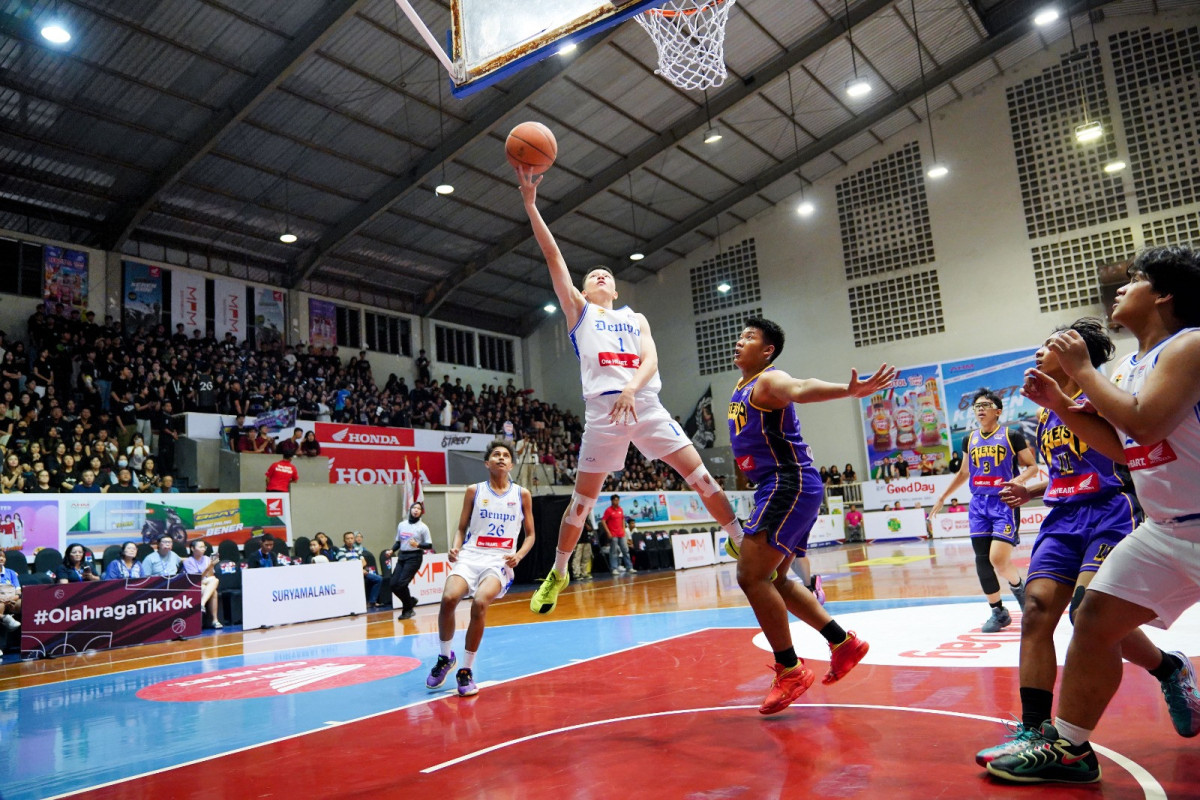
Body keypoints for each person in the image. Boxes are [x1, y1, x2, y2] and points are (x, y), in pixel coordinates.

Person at [989, 244, 1200, 783]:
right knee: (1091, 619)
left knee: (1086, 613)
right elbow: (1125, 448)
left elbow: (1146, 425)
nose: (1121, 287)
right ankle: (1071, 747)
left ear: (1164, 294)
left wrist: (1080, 370)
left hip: (1167, 518)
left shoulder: (1190, 345)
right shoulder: (1130, 367)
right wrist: (1061, 405)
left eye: (1135, 279)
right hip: (1165, 529)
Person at [519, 166, 744, 615]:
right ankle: (558, 572)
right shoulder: (580, 311)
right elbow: (553, 256)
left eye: (607, 274)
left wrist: (631, 389)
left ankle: (739, 539)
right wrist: (530, 204)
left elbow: (651, 361)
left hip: (644, 404)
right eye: (593, 275)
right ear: (583, 290)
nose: (601, 276)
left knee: (701, 477)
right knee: (580, 504)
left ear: (617, 289)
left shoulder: (635, 318)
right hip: (603, 414)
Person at [725, 317, 891, 714]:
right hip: (782, 484)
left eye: (750, 337)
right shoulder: (742, 386)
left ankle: (790, 670)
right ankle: (842, 642)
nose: (740, 341)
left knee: (751, 575)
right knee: (776, 579)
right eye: (741, 335)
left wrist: (847, 390)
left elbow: (800, 388)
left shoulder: (769, 379)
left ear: (767, 351)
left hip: (787, 482)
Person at [426, 440, 535, 697]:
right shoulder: (474, 491)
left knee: (480, 602)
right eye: (496, 454)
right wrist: (455, 547)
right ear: (487, 463)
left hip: (499, 560)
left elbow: (530, 535)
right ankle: (445, 657)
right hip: (471, 555)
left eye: (506, 455)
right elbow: (461, 528)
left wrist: (519, 555)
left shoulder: (522, 494)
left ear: (511, 464)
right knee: (448, 598)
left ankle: (465, 670)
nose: (501, 458)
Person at [931, 388, 1037, 632]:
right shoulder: (969, 439)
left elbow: (1032, 466)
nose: (980, 409)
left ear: (998, 411)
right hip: (978, 504)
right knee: (982, 560)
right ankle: (998, 611)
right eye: (977, 406)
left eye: (985, 405)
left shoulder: (1011, 435)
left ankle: (1022, 593)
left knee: (998, 559)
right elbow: (964, 472)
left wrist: (1018, 481)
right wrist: (943, 496)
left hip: (1004, 502)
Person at [386, 502, 433, 619]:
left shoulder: (423, 527)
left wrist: (418, 545)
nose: (416, 510)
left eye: (419, 509)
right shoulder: (402, 525)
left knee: (402, 584)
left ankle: (407, 610)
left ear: (421, 512)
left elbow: (429, 545)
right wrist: (392, 550)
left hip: (414, 557)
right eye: (414, 508)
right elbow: (398, 542)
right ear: (410, 510)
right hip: (402, 556)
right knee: (393, 585)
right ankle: (410, 601)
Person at [182, 540, 222, 628]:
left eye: (204, 547)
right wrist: (209, 567)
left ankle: (202, 604)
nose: (203, 549)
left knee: (215, 581)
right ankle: (215, 620)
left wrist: (212, 565)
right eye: (200, 547)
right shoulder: (188, 561)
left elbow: (211, 575)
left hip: (206, 583)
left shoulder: (207, 559)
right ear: (192, 549)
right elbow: (196, 579)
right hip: (194, 584)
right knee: (213, 590)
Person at [337, 531, 382, 606]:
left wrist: (359, 569)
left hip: (360, 571)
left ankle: (372, 602)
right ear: (344, 540)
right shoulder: (341, 550)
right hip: (348, 574)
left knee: (378, 579)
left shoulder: (357, 549)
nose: (350, 540)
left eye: (351, 538)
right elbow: (345, 565)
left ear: (354, 539)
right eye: (347, 539)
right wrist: (358, 570)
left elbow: (364, 562)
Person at [601, 495, 634, 574]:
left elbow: (622, 519)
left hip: (621, 534)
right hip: (613, 534)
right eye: (615, 500)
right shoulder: (608, 510)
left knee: (625, 550)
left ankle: (629, 567)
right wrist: (608, 532)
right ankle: (614, 568)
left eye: (618, 500)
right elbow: (603, 521)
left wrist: (623, 530)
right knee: (614, 551)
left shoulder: (620, 509)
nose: (617, 502)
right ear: (612, 501)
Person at [570, 516, 595, 581]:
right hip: (578, 541)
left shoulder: (587, 519)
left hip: (586, 540)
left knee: (585, 558)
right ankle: (577, 574)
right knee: (577, 557)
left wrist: (585, 523)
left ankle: (584, 573)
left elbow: (590, 529)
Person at [0, 549, 19, 630]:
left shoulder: (11, 573)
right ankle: (6, 619)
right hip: (1, 601)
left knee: (23, 603)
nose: (1, 558)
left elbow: (18, 592)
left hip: (12, 599)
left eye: (3, 557)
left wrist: (12, 598)